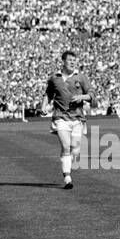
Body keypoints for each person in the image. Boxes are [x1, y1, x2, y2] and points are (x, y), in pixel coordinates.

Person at [45, 49, 91, 189]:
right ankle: (67, 178)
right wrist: (43, 105)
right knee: (65, 146)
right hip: (61, 117)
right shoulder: (55, 78)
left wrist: (81, 97)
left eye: (74, 60)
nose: (72, 62)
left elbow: (91, 94)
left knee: (75, 150)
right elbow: (48, 93)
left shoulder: (81, 78)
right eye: (70, 60)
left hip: (77, 118)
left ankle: (67, 161)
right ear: (63, 61)